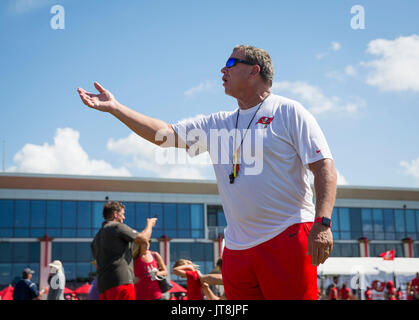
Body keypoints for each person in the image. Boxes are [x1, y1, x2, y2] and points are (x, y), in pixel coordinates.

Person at [77, 44, 337, 300]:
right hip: (236, 248)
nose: (223, 69)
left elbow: (324, 166)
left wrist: (322, 223)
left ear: (254, 71)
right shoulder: (218, 123)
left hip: (287, 235)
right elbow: (163, 134)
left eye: (232, 64)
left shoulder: (288, 111)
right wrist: (116, 108)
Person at [91, 201, 157, 300]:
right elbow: (143, 238)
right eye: (122, 214)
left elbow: (97, 263)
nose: (124, 217)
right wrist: (150, 224)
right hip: (121, 283)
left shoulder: (96, 238)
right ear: (115, 214)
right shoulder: (117, 226)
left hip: (103, 286)